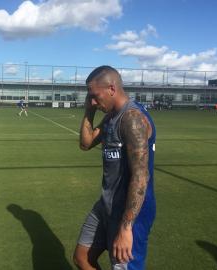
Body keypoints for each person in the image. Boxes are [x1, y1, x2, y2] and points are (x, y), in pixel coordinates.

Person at [74, 66, 156, 270]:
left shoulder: (132, 119)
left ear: (111, 88)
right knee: (82, 257)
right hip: (106, 204)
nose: (93, 100)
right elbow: (85, 144)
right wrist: (89, 110)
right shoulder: (111, 117)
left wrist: (126, 227)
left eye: (95, 96)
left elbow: (140, 176)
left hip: (130, 212)